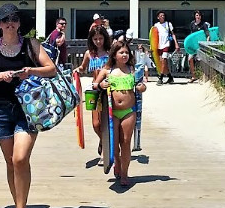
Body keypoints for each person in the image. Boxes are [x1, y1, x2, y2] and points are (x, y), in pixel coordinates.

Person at [0, 4, 56, 208]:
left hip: (28, 109)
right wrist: (1, 76)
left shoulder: (31, 45)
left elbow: (51, 69)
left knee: (20, 159)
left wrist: (30, 71)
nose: (10, 22)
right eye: (5, 19)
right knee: (11, 163)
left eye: (14, 19)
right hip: (0, 108)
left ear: (19, 23)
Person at [93, 41, 147, 187]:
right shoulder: (107, 71)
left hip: (129, 111)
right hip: (112, 112)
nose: (124, 55)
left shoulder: (133, 69)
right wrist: (101, 85)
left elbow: (141, 85)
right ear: (114, 55)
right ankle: (116, 163)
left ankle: (124, 174)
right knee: (114, 145)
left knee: (126, 142)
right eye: (121, 53)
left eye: (126, 53)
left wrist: (142, 87)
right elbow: (94, 86)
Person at [75, 25, 112, 156]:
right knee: (96, 123)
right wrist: (77, 71)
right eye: (95, 38)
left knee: (106, 121)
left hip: (109, 90)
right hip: (94, 90)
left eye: (100, 38)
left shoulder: (110, 53)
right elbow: (83, 67)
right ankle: (103, 141)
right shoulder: (89, 54)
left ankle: (106, 152)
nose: (98, 41)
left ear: (105, 38)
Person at [154, 11, 178, 85]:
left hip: (166, 44)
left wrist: (176, 44)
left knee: (164, 59)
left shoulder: (168, 24)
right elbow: (154, 36)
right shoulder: (156, 25)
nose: (162, 17)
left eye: (163, 15)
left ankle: (160, 78)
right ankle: (170, 77)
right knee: (162, 62)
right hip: (159, 45)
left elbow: (173, 34)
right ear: (158, 17)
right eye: (161, 16)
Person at [186, 10, 210, 83]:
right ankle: (194, 76)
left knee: (200, 60)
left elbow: (207, 35)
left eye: (199, 15)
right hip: (193, 45)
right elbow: (191, 35)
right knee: (190, 59)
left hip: (201, 46)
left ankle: (203, 76)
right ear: (195, 16)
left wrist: (206, 44)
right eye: (197, 15)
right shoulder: (192, 24)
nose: (198, 16)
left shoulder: (204, 24)